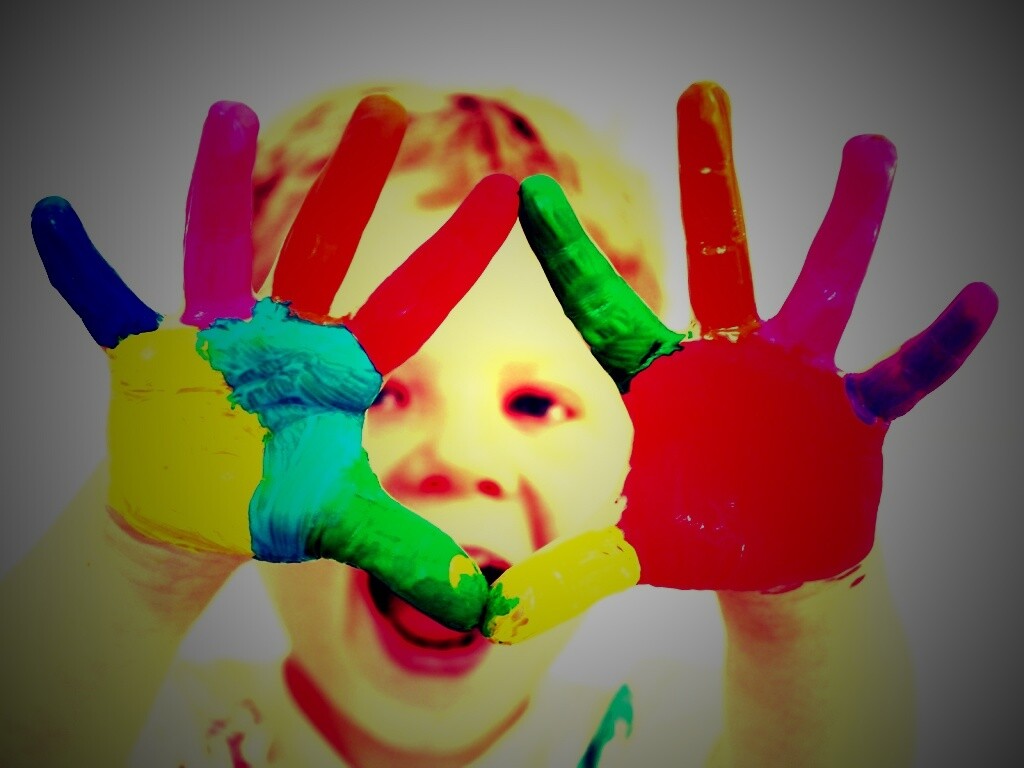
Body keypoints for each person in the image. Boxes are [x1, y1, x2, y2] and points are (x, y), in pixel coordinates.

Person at [0, 80, 995, 767]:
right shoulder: (148, 724)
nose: (458, 459)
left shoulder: (664, 733)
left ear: (630, 466)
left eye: (535, 403)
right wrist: (145, 561)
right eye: (377, 393)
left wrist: (800, 605)